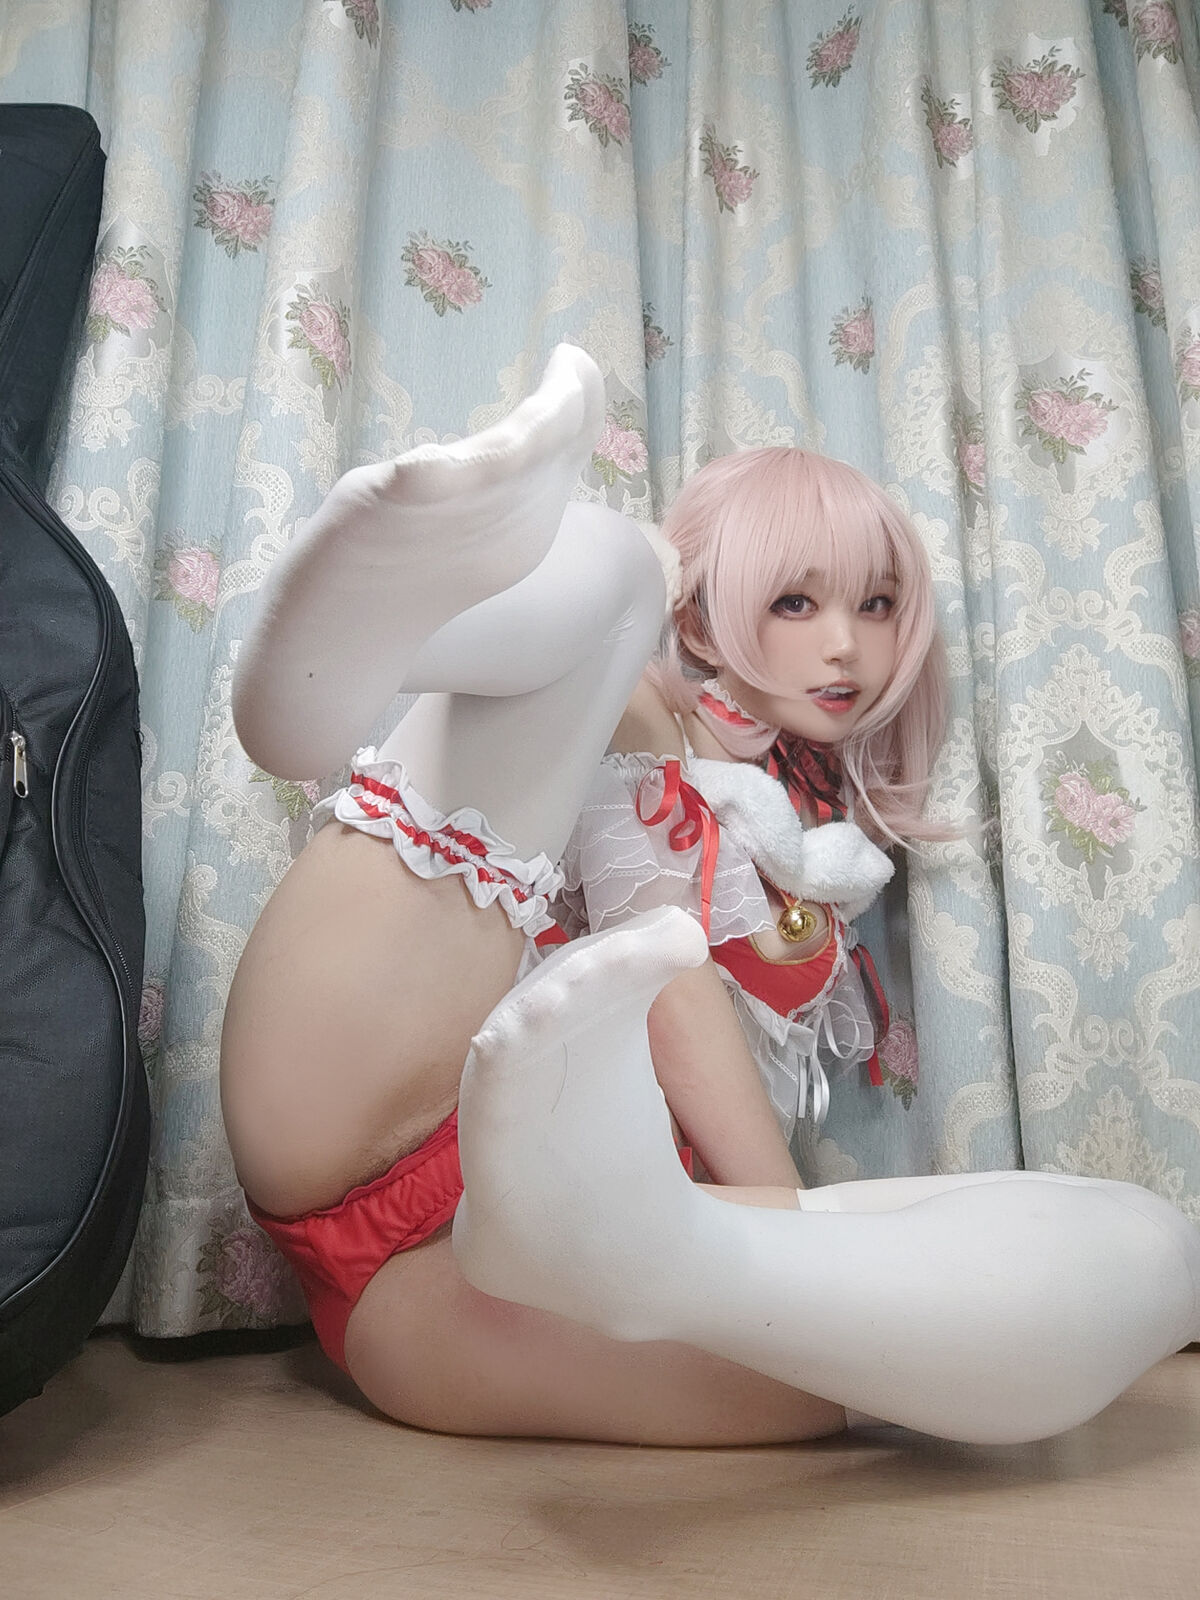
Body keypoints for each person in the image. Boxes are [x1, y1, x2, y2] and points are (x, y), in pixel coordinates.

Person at [221, 345, 1200, 1448]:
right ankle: (343, 670)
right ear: (703, 626)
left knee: (1148, 1245)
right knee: (620, 567)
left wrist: (773, 1235)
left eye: (878, 603)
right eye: (796, 601)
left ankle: (660, 1244)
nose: (847, 644)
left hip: (475, 1270)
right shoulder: (644, 711)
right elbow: (668, 986)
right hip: (365, 1103)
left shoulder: (790, 815)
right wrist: (790, 1218)